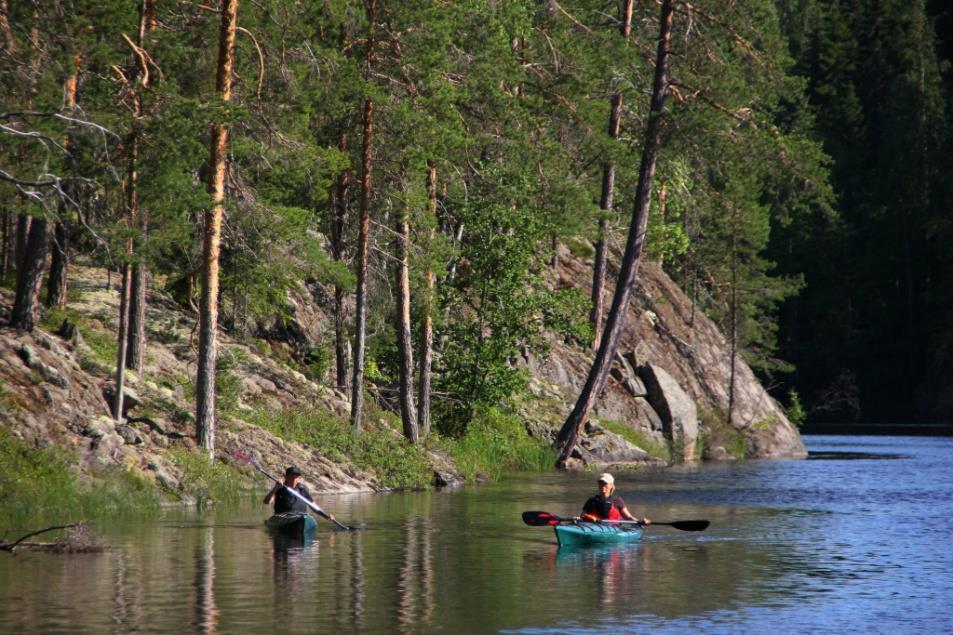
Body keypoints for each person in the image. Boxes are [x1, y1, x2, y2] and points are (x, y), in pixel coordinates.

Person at [263, 466, 335, 523]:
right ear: (286, 477)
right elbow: (267, 502)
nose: (294, 480)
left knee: (306, 517)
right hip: (282, 517)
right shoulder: (280, 488)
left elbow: (314, 507)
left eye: (296, 477)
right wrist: (275, 488)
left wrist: (326, 516)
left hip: (301, 517)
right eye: (292, 477)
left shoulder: (302, 489)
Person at [580, 473, 650, 525]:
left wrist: (640, 522)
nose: (602, 486)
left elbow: (629, 517)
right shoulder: (591, 501)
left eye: (605, 483)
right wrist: (578, 519)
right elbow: (582, 516)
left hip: (613, 529)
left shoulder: (617, 500)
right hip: (595, 527)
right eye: (600, 483)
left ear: (611, 485)